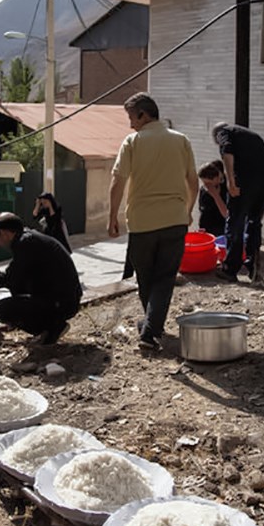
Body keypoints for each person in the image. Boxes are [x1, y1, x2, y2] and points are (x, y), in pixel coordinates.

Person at [108, 93, 198, 351]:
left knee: (146, 277)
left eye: (131, 118)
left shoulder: (132, 142)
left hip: (142, 223)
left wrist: (112, 216)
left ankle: (149, 331)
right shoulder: (181, 140)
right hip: (174, 220)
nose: (130, 125)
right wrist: (188, 210)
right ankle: (151, 326)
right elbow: (193, 181)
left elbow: (118, 182)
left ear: (143, 115)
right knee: (165, 277)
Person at [0, 212, 81, 345]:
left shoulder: (25, 244)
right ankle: (49, 326)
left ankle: (53, 328)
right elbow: (17, 275)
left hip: (62, 303)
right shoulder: (28, 239)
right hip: (67, 299)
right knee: (18, 290)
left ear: (5, 233)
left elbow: (10, 279)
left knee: (3, 309)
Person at [211, 122, 264, 283]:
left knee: (235, 222)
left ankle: (230, 269)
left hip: (245, 179)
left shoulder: (223, 132)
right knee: (254, 221)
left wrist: (231, 181)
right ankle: (253, 266)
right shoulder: (248, 134)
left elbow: (227, 150)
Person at [197, 159, 229, 237]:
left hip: (221, 229)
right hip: (207, 228)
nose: (207, 186)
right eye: (204, 183)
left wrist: (215, 195)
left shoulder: (226, 188)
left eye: (208, 183)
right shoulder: (204, 190)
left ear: (216, 178)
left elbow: (226, 214)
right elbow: (203, 210)